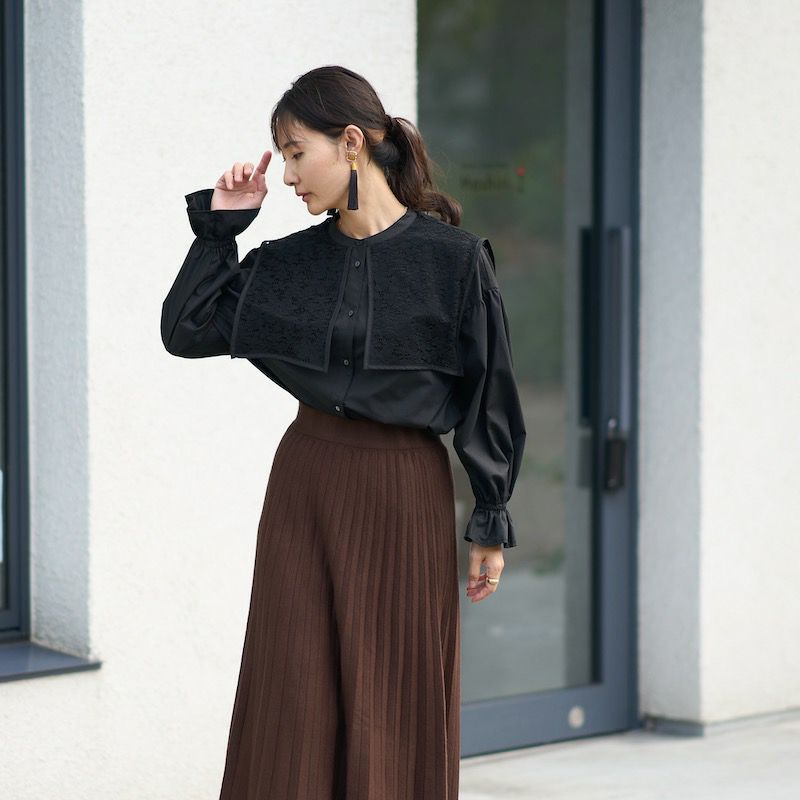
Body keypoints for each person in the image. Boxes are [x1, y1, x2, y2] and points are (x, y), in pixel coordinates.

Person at [160, 64, 526, 800]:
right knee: (293, 690)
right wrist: (222, 230)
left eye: (297, 153)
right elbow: (186, 329)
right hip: (307, 485)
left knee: (392, 692)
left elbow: (490, 392)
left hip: (403, 490)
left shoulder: (453, 262)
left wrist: (491, 515)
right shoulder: (287, 265)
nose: (288, 175)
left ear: (352, 142)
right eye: (283, 156)